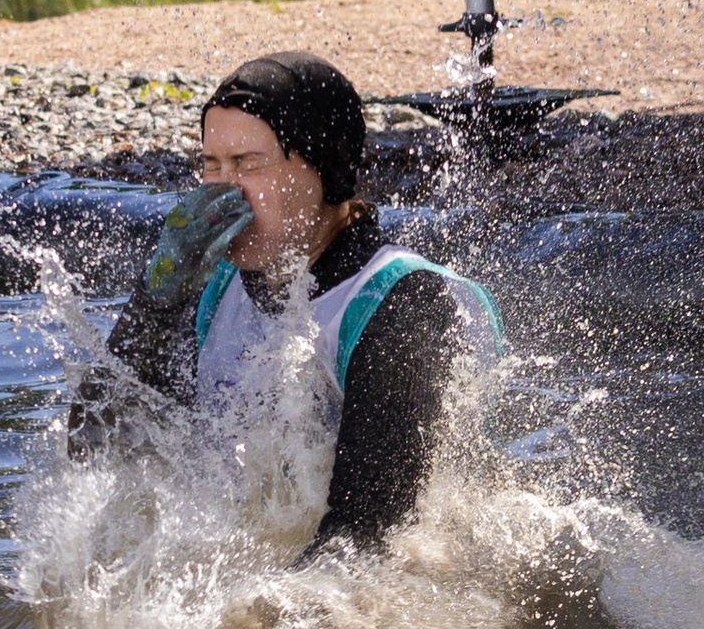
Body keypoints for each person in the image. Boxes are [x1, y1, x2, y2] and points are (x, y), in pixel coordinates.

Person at [68, 50, 501, 559]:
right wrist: (155, 299)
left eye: (249, 165)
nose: (224, 195)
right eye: (211, 166)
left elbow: (365, 543)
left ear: (327, 172)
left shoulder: (402, 306)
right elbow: (95, 452)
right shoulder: (212, 292)